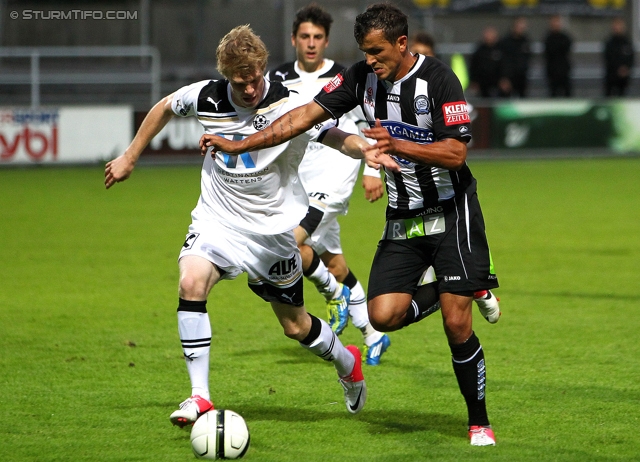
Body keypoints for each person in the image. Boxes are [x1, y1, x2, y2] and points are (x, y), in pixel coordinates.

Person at [200, 4, 500, 446]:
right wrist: (240, 142)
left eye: (377, 52)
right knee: (382, 315)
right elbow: (301, 117)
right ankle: (469, 283)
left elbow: (457, 153)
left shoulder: (438, 79)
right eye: (364, 51)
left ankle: (479, 421)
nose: (371, 60)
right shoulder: (361, 78)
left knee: (457, 324)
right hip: (403, 216)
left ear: (402, 44)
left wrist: (397, 143)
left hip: (453, 211)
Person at [104, 25, 378, 426]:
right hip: (217, 219)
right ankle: (200, 397)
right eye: (240, 83)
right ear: (225, 76)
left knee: (296, 326)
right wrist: (130, 156)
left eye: (254, 80)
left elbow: (336, 136)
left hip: (272, 232)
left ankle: (346, 363)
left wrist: (366, 148)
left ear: (264, 67)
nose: (249, 90)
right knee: (190, 282)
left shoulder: (292, 103)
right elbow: (163, 106)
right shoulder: (206, 96)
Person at [267, 4, 391, 365]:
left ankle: (333, 294)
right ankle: (372, 333)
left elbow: (370, 122)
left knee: (289, 244)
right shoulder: (277, 80)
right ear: (293, 39)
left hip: (336, 175)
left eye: (317, 37)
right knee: (333, 263)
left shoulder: (345, 76)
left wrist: (372, 172)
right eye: (304, 36)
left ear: (325, 41)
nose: (311, 43)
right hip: (300, 180)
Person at [498, 17, 531, 98]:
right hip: (508, 77)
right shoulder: (505, 42)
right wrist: (504, 77)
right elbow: (503, 61)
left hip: (522, 77)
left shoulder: (526, 41)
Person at [604, 17, 634, 97]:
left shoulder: (627, 42)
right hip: (611, 75)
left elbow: (631, 57)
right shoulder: (609, 43)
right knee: (609, 96)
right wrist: (617, 69)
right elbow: (608, 58)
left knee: (622, 96)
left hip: (624, 77)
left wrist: (626, 68)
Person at [469, 26, 502, 98]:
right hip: (482, 83)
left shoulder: (501, 50)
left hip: (497, 83)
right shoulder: (479, 51)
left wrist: (505, 78)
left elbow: (505, 65)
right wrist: (474, 81)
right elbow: (473, 67)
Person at [544, 15, 573, 97]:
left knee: (567, 94)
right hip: (552, 72)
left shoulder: (565, 37)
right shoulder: (548, 38)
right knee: (553, 94)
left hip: (564, 71)